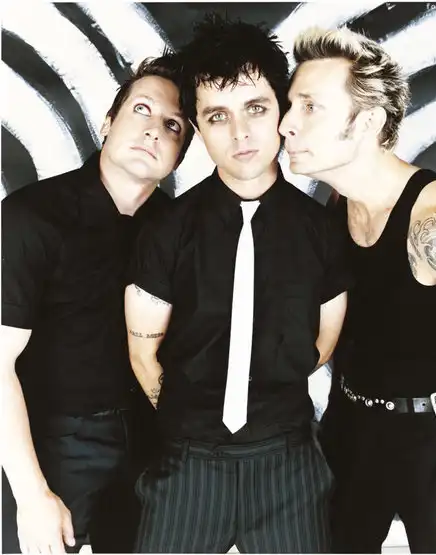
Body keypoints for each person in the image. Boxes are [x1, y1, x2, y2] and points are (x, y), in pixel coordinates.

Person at [124, 14, 351, 554]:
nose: (241, 133)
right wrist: (193, 424)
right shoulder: (168, 229)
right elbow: (143, 351)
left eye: (256, 108)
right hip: (187, 465)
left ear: (281, 110)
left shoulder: (322, 230)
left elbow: (322, 344)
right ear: (198, 127)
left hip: (289, 467)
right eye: (217, 116)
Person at [279, 26, 436, 553]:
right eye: (290, 105)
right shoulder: (338, 204)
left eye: (311, 107)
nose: (286, 124)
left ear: (369, 122)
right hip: (349, 427)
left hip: (433, 440)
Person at [1, 52, 193, 554]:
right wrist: (32, 495)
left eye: (173, 125)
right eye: (141, 109)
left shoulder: (182, 232)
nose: (154, 130)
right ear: (108, 122)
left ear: (179, 155)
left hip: (152, 449)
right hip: (51, 445)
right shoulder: (29, 217)